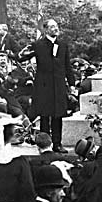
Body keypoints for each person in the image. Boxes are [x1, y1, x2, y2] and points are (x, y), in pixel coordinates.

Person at [30, 19, 75, 153]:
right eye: (52, 26)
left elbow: (67, 65)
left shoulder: (63, 45)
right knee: (45, 116)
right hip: (44, 86)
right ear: (46, 29)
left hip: (59, 86)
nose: (56, 29)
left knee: (58, 115)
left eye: (56, 26)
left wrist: (72, 84)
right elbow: (22, 57)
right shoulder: (38, 45)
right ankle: (44, 145)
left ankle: (57, 143)